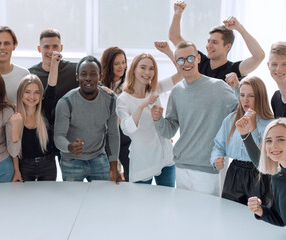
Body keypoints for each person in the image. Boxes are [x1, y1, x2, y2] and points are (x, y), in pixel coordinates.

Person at [151, 41, 237, 196]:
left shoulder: (219, 87)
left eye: (190, 58)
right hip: (182, 166)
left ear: (198, 58)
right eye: (181, 60)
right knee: (184, 217)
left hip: (208, 168)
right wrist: (158, 120)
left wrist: (237, 89)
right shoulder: (177, 92)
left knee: (208, 217)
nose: (186, 63)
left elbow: (240, 116)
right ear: (176, 63)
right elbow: (170, 130)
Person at [116, 42, 182, 186]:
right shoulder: (123, 99)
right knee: (141, 204)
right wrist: (142, 105)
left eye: (151, 68)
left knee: (166, 202)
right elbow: (127, 129)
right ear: (133, 69)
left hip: (165, 158)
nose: (147, 72)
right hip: (143, 160)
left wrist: (169, 52)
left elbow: (182, 73)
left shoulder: (155, 88)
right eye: (143, 67)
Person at [54, 56, 121, 183]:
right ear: (77, 77)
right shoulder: (65, 102)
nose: (88, 78)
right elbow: (58, 137)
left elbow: (113, 134)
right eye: (83, 74)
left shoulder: (111, 100)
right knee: (73, 201)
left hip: (98, 157)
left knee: (101, 199)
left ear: (100, 77)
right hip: (71, 160)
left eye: (93, 74)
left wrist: (113, 166)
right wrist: (70, 147)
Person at [169, 1, 265, 87]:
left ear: (227, 47)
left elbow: (259, 56)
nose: (209, 46)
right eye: (208, 41)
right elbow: (174, 37)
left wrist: (240, 28)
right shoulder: (199, 60)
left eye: (215, 42)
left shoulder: (233, 70)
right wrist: (178, 13)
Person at [210, 76, 273, 205]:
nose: (245, 100)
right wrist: (216, 159)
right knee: (229, 212)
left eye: (251, 96)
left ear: (261, 97)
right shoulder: (230, 119)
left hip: (259, 175)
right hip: (234, 173)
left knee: (256, 216)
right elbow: (218, 146)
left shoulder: (270, 123)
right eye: (242, 95)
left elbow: (263, 154)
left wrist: (253, 128)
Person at [15, 71, 58, 181]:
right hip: (25, 166)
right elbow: (13, 148)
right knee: (27, 198)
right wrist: (16, 171)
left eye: (37, 92)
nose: (32, 96)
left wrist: (54, 64)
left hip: (47, 165)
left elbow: (52, 87)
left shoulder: (44, 111)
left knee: (47, 197)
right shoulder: (15, 116)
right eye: (27, 92)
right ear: (21, 93)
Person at [101, 46, 131, 181]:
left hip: (127, 138)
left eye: (123, 62)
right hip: (107, 140)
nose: (122, 66)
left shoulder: (130, 84)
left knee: (131, 177)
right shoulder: (100, 86)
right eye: (117, 63)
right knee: (111, 181)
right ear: (109, 65)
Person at [29, 28, 78, 102]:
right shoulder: (31, 74)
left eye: (55, 46)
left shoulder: (74, 70)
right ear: (39, 49)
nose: (51, 51)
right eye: (46, 47)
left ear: (61, 48)